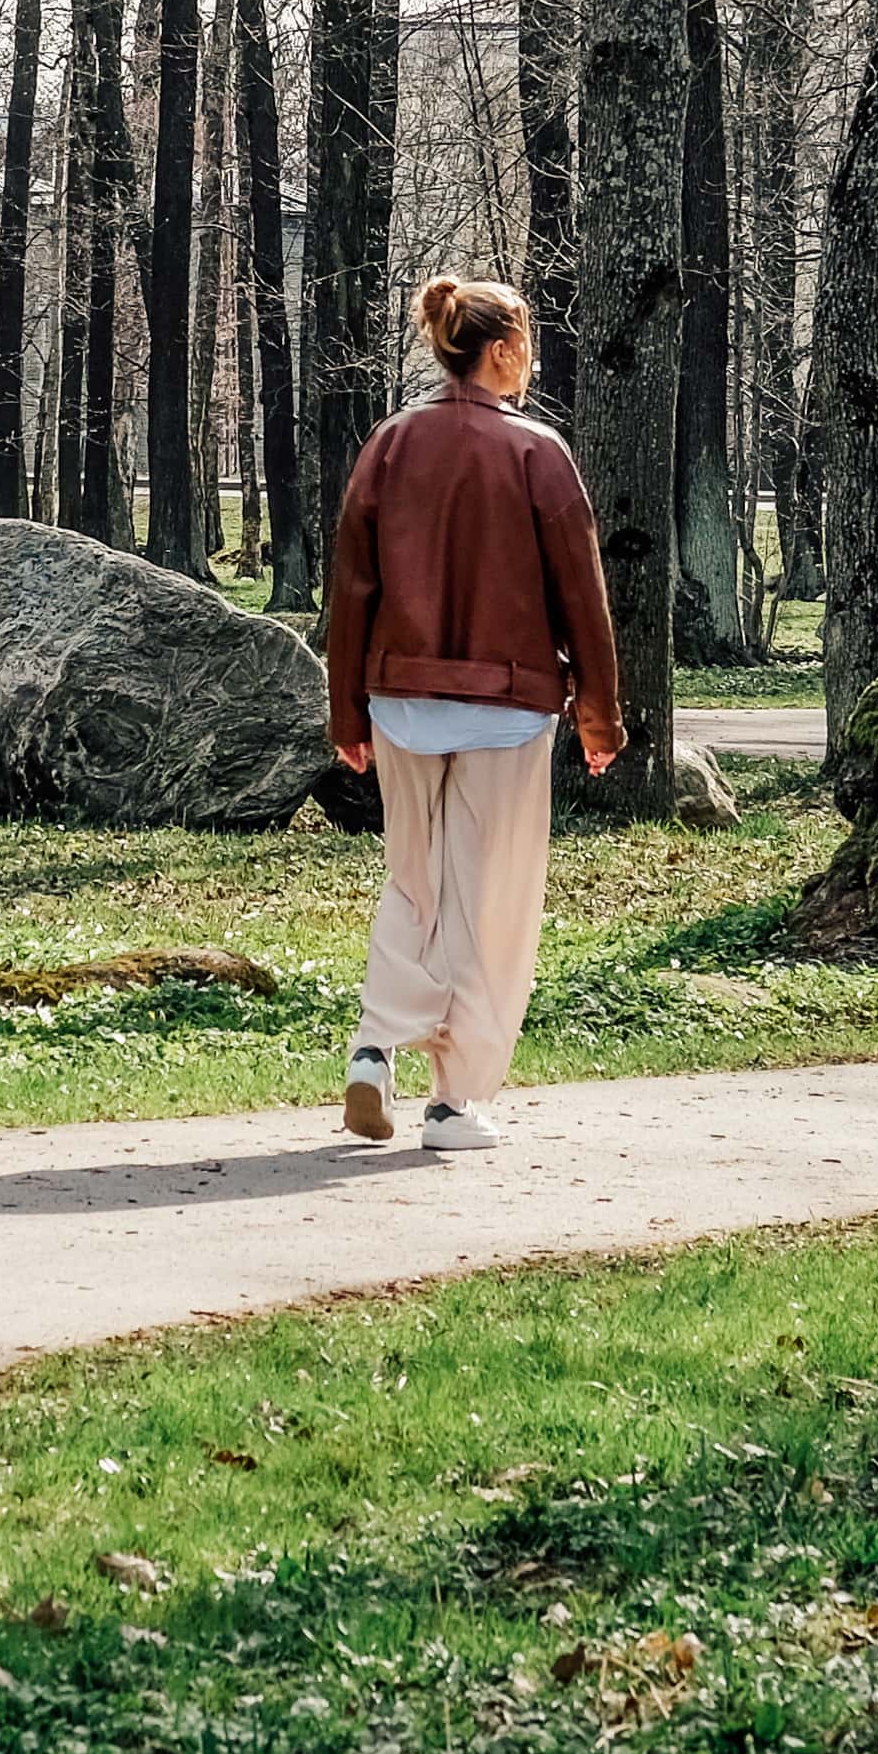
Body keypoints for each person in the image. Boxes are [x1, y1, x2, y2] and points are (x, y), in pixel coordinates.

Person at [319, 273, 622, 1152]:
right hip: (508, 707)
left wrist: (348, 714)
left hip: (401, 702)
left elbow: (354, 586)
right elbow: (581, 595)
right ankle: (453, 1104)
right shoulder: (538, 454)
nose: (529, 359)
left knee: (412, 881)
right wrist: (600, 715)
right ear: (499, 350)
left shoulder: (388, 444)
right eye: (524, 343)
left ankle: (374, 1048)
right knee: (490, 902)